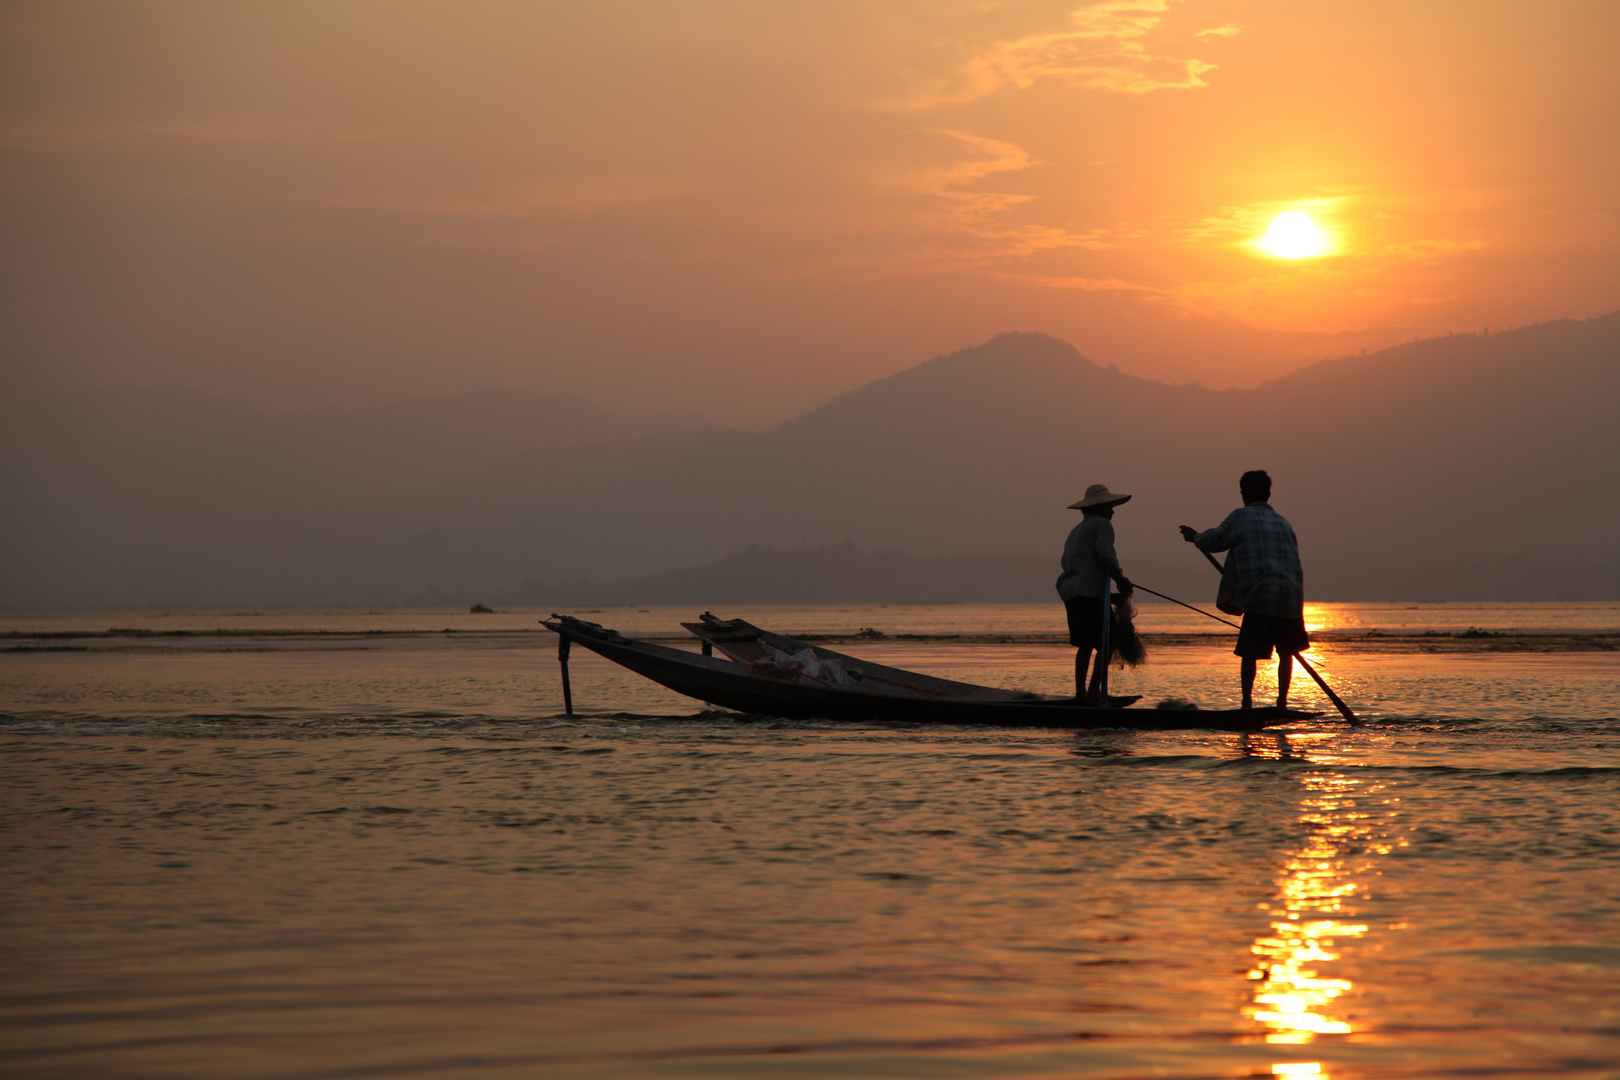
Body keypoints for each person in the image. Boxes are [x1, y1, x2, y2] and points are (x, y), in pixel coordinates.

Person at [1178, 470, 1307, 709]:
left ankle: (1246, 704)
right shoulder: (1284, 522)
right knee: (1286, 654)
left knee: (1249, 653)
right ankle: (1282, 703)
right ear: (1268, 493)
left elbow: (1215, 541)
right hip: (1290, 598)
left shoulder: (1241, 517)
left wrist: (1196, 537)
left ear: (1243, 494)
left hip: (1259, 596)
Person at [1057, 484, 1133, 704]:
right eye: (1109, 505)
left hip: (1073, 591)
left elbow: (1081, 565)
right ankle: (1092, 693)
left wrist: (1110, 593)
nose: (1112, 511)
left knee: (1085, 643)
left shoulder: (1077, 530)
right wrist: (1121, 579)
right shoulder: (1102, 525)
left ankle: (1081, 694)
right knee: (1107, 643)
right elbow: (1107, 558)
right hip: (1088, 592)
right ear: (1099, 507)